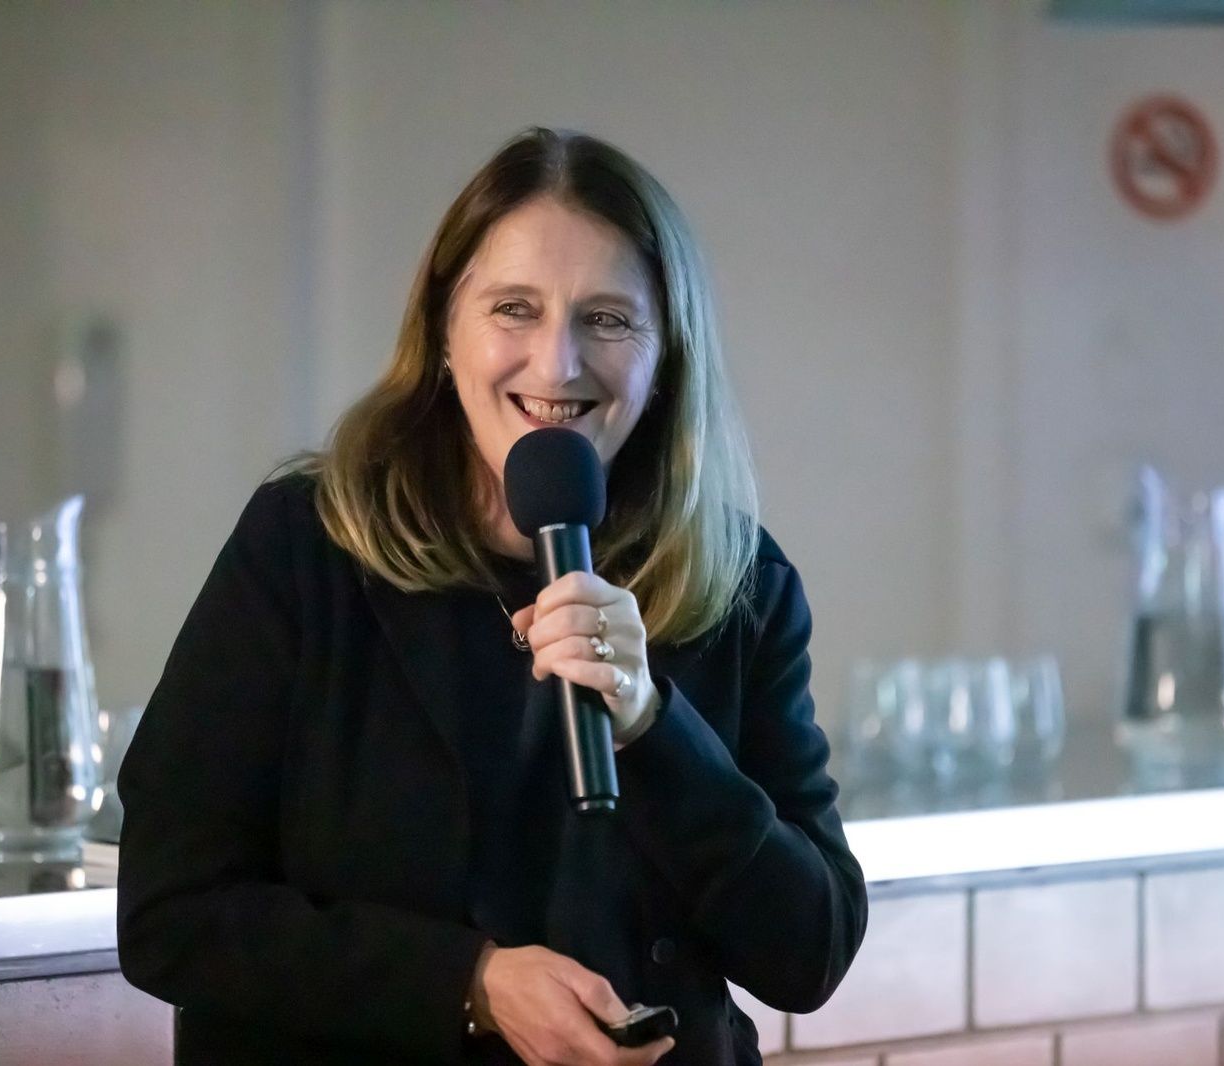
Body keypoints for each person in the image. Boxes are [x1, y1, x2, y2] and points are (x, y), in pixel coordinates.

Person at [116, 127, 867, 1066]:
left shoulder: (739, 582)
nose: (556, 366)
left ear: (667, 356)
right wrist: (468, 984)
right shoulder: (307, 546)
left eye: (608, 320)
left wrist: (654, 726)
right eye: (515, 309)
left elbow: (811, 953)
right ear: (444, 332)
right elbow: (171, 911)